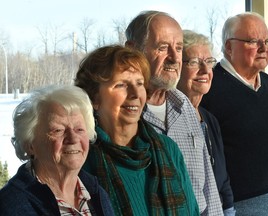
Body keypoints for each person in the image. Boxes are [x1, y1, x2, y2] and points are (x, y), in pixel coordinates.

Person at [75, 45, 199, 216]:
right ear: (94, 97)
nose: (134, 94)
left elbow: (192, 212)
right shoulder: (80, 157)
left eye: (139, 83)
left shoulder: (168, 148)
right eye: (121, 85)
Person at [125, 10, 223, 215]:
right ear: (133, 51)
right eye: (162, 48)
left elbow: (208, 188)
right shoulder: (120, 113)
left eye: (178, 48)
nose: (173, 57)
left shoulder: (184, 106)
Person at [201, 12, 268, 216]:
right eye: (253, 41)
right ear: (229, 46)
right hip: (242, 205)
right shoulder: (211, 88)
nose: (263, 48)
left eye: (267, 41)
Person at [0, 85, 114, 216]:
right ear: (30, 145)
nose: (73, 139)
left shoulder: (97, 194)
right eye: (58, 130)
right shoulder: (11, 206)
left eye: (79, 129)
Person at [177, 30, 235, 216]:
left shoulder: (209, 119)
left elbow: (222, 176)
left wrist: (229, 210)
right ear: (176, 66)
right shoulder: (171, 121)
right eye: (194, 62)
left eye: (209, 62)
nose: (204, 70)